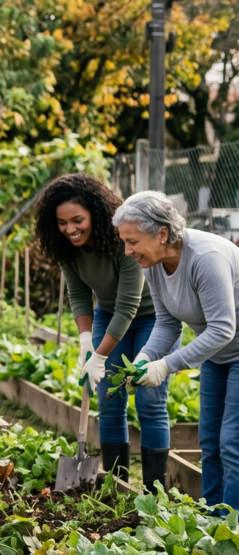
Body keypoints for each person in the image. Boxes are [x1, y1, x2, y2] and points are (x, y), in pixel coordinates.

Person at [33, 174, 173, 488]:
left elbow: (129, 306)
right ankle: (117, 484)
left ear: (96, 214)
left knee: (149, 401)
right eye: (61, 222)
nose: (70, 229)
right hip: (108, 316)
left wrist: (99, 354)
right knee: (109, 399)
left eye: (77, 220)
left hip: (155, 319)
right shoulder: (68, 248)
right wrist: (86, 340)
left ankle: (155, 492)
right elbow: (79, 295)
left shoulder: (125, 240)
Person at [114, 191, 239, 508]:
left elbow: (224, 327)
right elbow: (167, 321)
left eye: (133, 241)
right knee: (209, 441)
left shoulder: (205, 258)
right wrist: (145, 358)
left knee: (232, 443)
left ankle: (233, 526)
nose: (128, 251)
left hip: (232, 348)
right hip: (216, 355)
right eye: (124, 242)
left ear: (163, 233)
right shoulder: (153, 263)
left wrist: (166, 366)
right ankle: (214, 516)